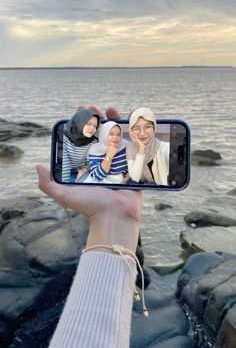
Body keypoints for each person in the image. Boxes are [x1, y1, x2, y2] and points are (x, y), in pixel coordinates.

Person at [36, 109, 148, 348]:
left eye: (119, 133)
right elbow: (97, 173)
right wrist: (108, 155)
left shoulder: (123, 150)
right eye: (112, 133)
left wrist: (135, 157)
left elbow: (130, 174)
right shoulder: (95, 150)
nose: (116, 138)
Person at [126, 107, 169, 185]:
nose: (142, 133)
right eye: (136, 128)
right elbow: (135, 178)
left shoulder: (165, 148)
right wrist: (141, 150)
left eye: (147, 127)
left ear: (154, 128)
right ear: (130, 131)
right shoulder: (130, 148)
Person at [62, 109, 100, 183]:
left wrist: (84, 170)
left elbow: (93, 161)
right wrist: (63, 186)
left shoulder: (94, 142)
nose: (92, 128)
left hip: (82, 171)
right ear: (79, 123)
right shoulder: (64, 138)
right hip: (64, 172)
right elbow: (64, 167)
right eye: (88, 123)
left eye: (95, 126)